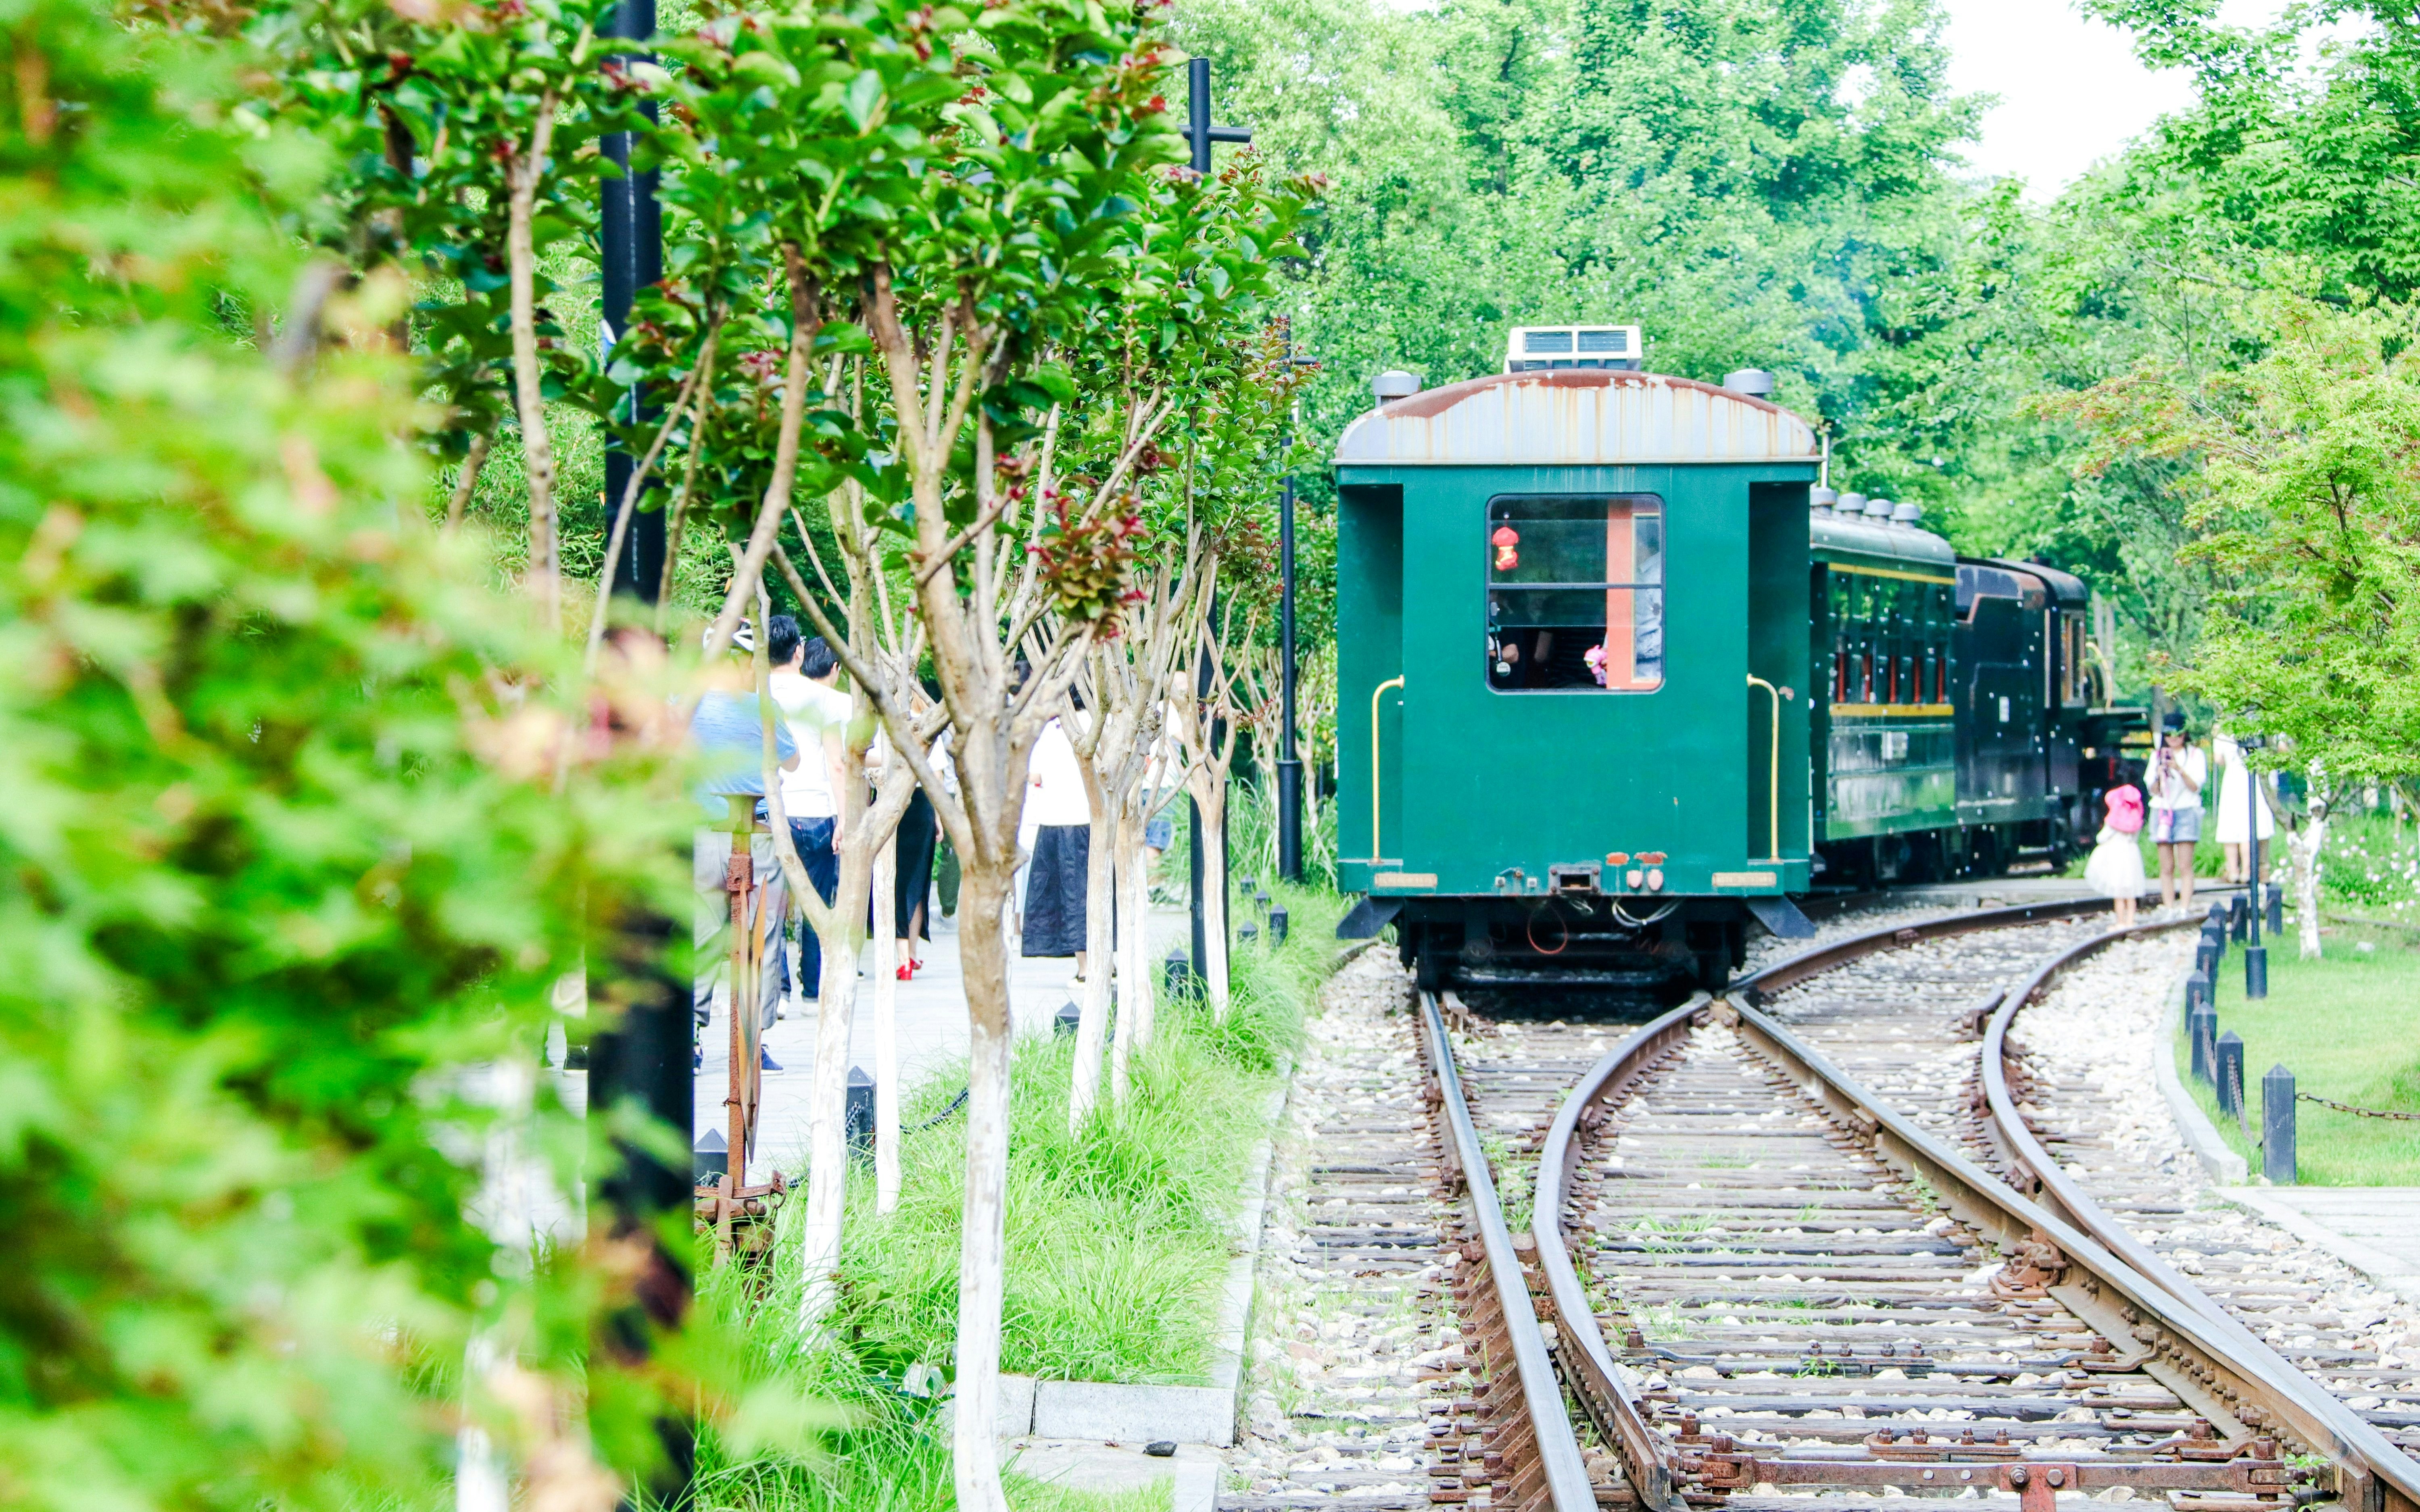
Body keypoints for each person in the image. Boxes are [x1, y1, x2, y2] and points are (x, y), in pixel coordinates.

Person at [690, 621, 797, 1072]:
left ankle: (689, 1038)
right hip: (756, 837)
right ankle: (751, 1043)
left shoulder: (684, 706)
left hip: (699, 835)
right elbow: (792, 761)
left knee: (699, 936)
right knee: (761, 939)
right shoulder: (762, 707)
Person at [767, 618, 851, 1007]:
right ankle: (813, 987)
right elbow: (838, 762)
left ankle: (778, 990)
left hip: (772, 811)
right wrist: (845, 818)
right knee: (816, 903)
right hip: (816, 811)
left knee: (772, 905)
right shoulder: (823, 700)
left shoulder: (755, 694)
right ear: (799, 652)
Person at [1020, 710, 1093, 980]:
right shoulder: (1100, 721)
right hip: (1093, 818)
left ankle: (1085, 967)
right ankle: (1104, 961)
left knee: (1070, 896)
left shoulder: (1051, 728)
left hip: (1057, 819)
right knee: (1093, 892)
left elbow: (1035, 775)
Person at [2147, 713, 2207, 909]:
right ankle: (2170, 907)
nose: (2173, 738)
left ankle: (2185, 907)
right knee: (2166, 867)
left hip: (2187, 810)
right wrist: (2159, 774)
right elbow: (2154, 791)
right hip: (2163, 811)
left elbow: (2195, 787)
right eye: (2169, 734)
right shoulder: (2156, 756)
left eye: (2178, 734)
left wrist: (2179, 769)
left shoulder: (2196, 755)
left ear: (2185, 734)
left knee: (2185, 865)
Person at [2211, 726, 2275, 887]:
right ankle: (2248, 870)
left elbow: (2219, 759)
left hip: (2232, 777)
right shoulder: (2256, 724)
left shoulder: (2222, 727)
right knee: (2249, 823)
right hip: (2251, 774)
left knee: (2231, 825)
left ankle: (2233, 870)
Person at [2086, 784, 2147, 927]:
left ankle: (2120, 922)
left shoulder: (2114, 821)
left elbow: (2101, 838)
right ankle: (2131, 921)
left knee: (2119, 893)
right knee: (2131, 892)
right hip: (2132, 855)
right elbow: (2135, 838)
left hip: (2117, 856)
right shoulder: (2135, 819)